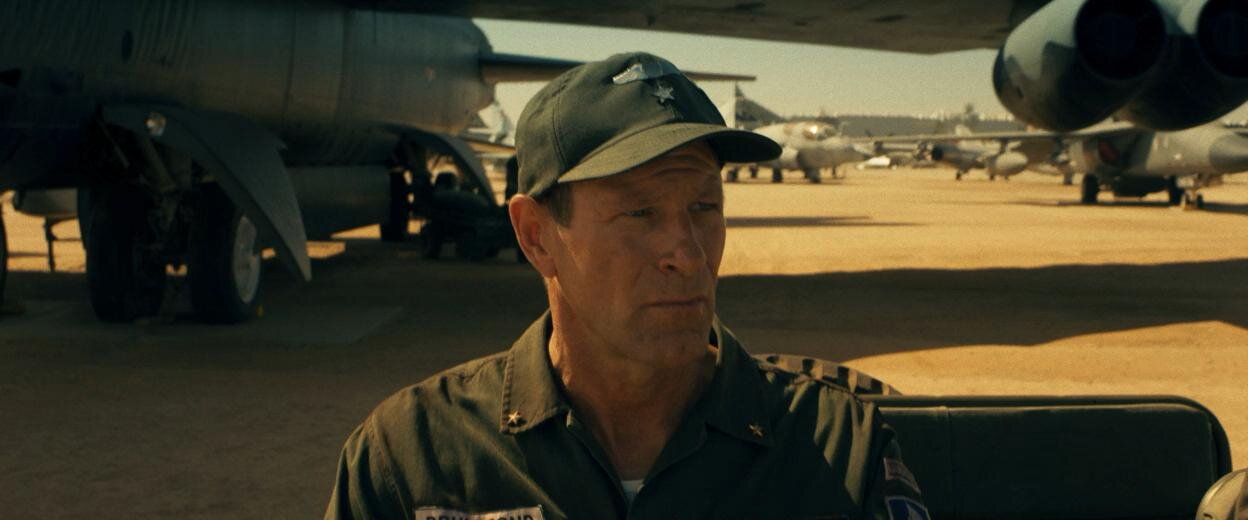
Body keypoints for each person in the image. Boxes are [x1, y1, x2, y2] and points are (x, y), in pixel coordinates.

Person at [324, 52, 927, 520]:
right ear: (536, 236)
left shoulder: (837, 447)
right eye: (639, 213)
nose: (687, 255)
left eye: (704, 207)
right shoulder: (415, 457)